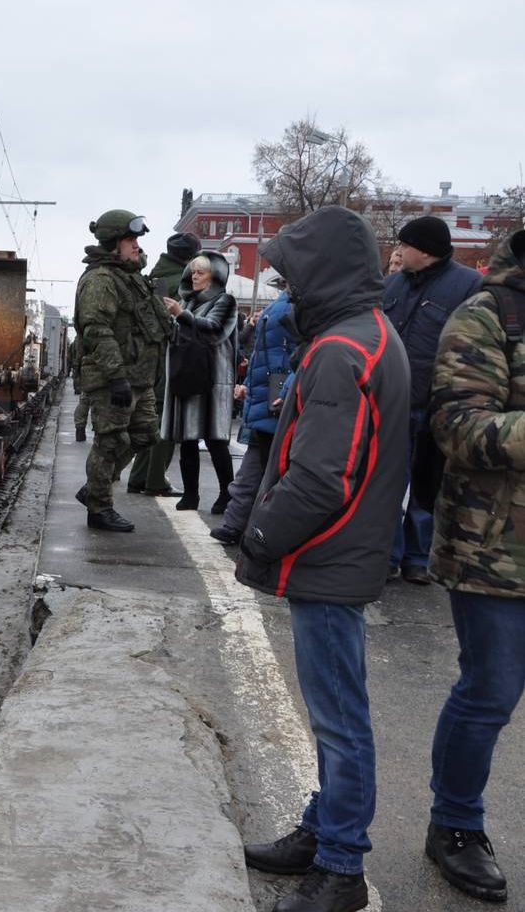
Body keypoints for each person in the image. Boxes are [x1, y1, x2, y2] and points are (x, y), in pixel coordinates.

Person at [237, 206, 410, 912]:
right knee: (336, 712)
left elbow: (320, 479)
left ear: (322, 275)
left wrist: (259, 532)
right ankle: (321, 829)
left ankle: (341, 867)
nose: (286, 287)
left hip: (329, 556)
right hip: (344, 552)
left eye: (292, 274)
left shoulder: (342, 349)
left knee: (340, 718)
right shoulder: (367, 336)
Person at [420, 229, 525, 904]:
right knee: (490, 691)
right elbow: (456, 424)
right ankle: (454, 823)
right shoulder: (489, 313)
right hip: (497, 550)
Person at [383, 216, 483, 584]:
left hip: (436, 405)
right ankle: (388, 555)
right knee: (387, 482)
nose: (399, 251)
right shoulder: (391, 284)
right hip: (392, 400)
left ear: (423, 250)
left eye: (405, 245)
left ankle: (417, 557)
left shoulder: (469, 286)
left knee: (428, 484)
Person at [73, 209, 170, 532]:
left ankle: (94, 487)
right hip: (115, 378)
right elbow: (96, 330)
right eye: (130, 240)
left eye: (136, 240)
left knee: (145, 435)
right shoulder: (102, 280)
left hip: (138, 377)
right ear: (114, 243)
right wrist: (116, 377)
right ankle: (99, 508)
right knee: (110, 441)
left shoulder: (131, 277)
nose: (136, 246)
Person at [213, 280, 299, 545]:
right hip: (267, 394)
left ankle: (257, 530)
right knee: (254, 467)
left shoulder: (307, 302)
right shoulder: (286, 299)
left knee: (275, 471)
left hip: (279, 395)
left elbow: (307, 352)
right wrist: (248, 385)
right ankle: (236, 524)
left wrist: (289, 389)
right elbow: (266, 353)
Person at [160, 252, 238, 512]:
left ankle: (228, 494)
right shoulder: (187, 302)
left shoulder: (225, 301)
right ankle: (191, 494)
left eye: (201, 272)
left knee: (216, 440)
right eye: (192, 271)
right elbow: (179, 333)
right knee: (188, 438)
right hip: (188, 373)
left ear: (213, 277)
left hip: (214, 378)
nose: (194, 276)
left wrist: (181, 315)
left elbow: (214, 330)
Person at [128, 232, 200, 495]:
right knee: (167, 423)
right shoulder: (185, 283)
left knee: (154, 421)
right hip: (173, 360)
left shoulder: (155, 278)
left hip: (151, 360)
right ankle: (156, 480)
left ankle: (139, 477)